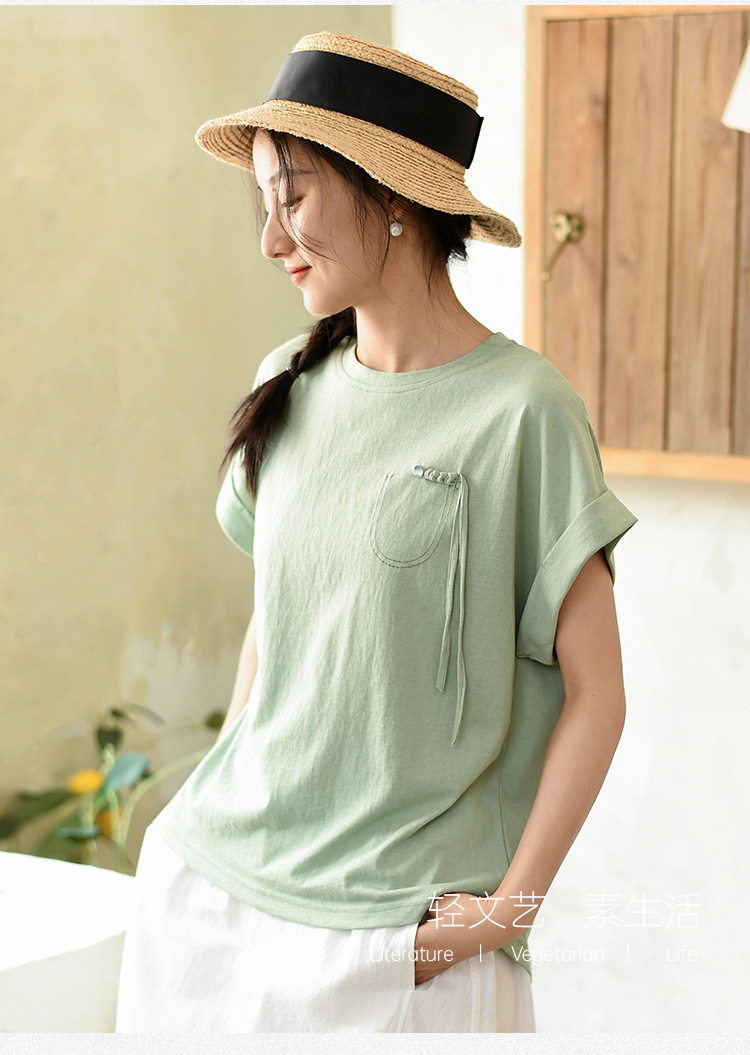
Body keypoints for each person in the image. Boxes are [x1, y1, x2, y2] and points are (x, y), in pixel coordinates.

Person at [115, 31, 637, 1034]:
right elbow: (277, 624)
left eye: (295, 195)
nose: (271, 238)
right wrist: (212, 790)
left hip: (400, 939)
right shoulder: (286, 382)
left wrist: (507, 912)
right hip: (213, 902)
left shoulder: (524, 413)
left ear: (392, 193)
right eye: (262, 202)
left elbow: (598, 693)